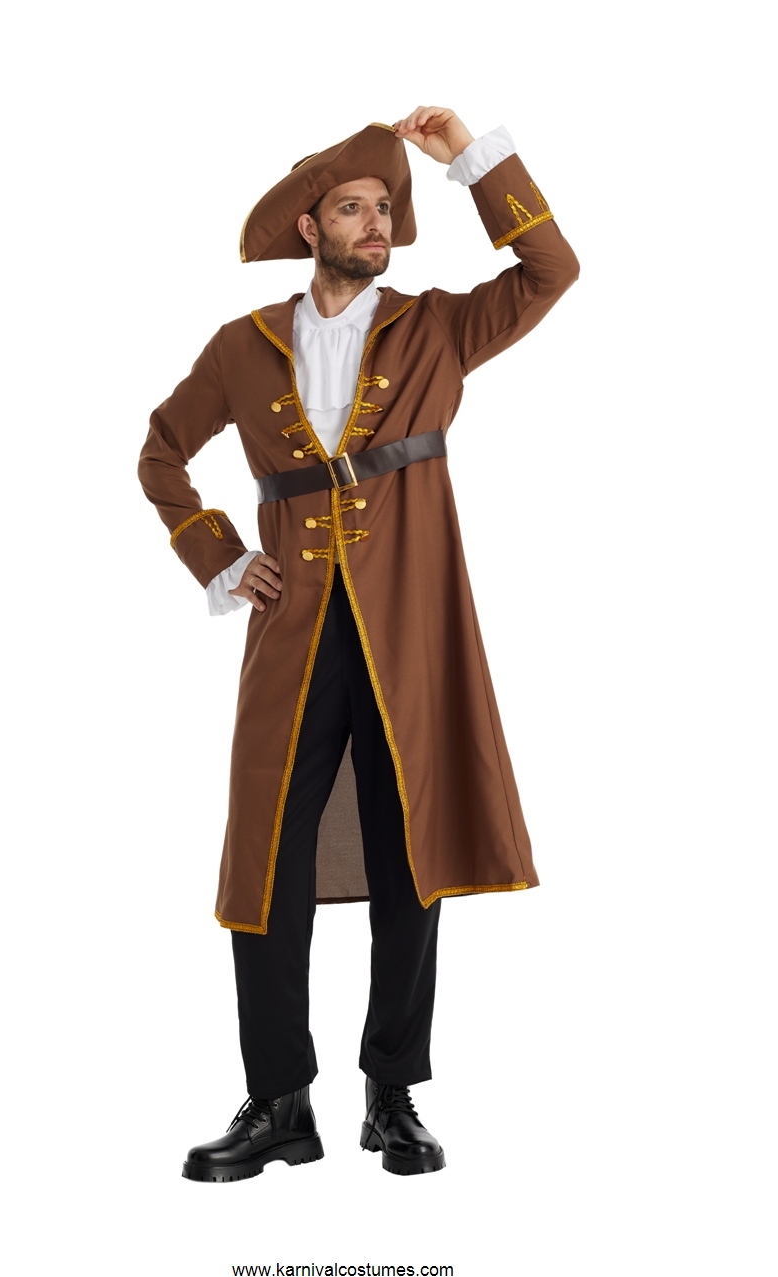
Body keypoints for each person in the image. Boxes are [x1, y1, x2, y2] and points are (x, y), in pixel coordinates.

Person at [138, 106, 579, 1182]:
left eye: (384, 207)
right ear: (310, 228)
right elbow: (159, 451)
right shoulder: (240, 346)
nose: (376, 223)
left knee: (407, 854)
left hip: (409, 628)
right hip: (291, 630)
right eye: (352, 208)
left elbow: (551, 269)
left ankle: (392, 1094)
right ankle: (278, 1102)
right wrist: (220, 558)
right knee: (266, 863)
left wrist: (471, 160)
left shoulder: (436, 328)